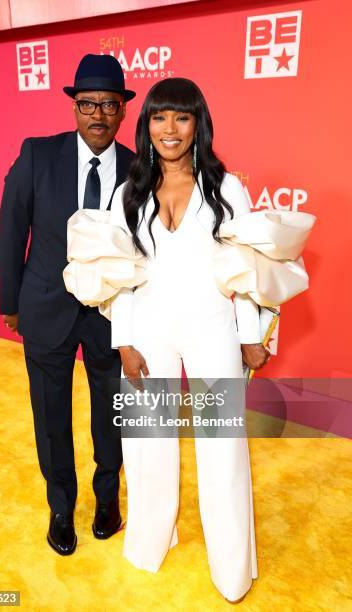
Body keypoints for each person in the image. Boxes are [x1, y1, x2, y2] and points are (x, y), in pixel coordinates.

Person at [108, 77, 269, 603]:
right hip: (148, 332)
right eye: (159, 117)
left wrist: (251, 335)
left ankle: (232, 570)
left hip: (213, 328)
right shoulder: (126, 193)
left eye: (181, 116)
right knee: (146, 444)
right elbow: (120, 273)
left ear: (198, 123)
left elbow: (246, 270)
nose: (169, 129)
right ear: (145, 124)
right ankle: (149, 543)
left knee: (222, 448)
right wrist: (124, 340)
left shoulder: (227, 189)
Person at [0, 54, 136, 555]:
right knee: (50, 414)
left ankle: (106, 497)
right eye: (87, 104)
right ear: (74, 108)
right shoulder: (37, 154)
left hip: (112, 315)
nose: (97, 114)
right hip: (45, 308)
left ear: (123, 110)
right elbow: (13, 230)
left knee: (112, 413)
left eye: (108, 104)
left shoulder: (140, 169)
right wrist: (10, 302)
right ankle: (61, 505)